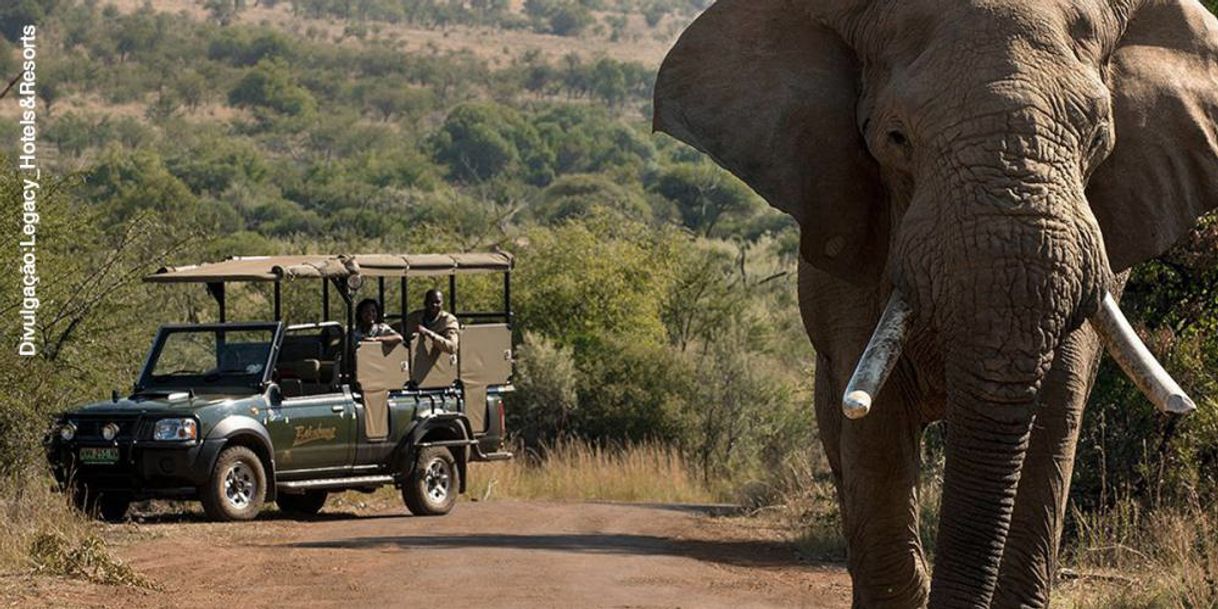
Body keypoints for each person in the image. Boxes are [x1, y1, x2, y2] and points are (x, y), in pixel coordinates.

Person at [403, 289, 459, 354]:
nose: (434, 305)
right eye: (431, 302)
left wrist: (428, 333)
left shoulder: (448, 320)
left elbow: (452, 347)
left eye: (438, 302)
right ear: (425, 303)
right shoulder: (414, 318)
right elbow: (403, 336)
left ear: (442, 303)